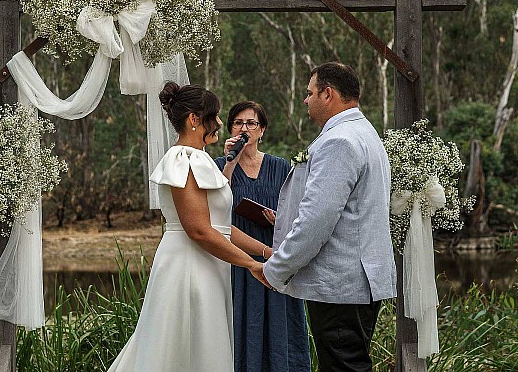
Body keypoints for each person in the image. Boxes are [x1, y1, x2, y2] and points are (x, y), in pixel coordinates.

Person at [108, 82, 272, 372]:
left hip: (207, 264)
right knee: (187, 350)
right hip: (190, 268)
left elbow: (219, 225)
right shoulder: (182, 160)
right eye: (215, 115)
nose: (221, 122)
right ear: (195, 119)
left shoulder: (200, 159)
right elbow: (198, 230)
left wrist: (264, 252)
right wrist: (250, 266)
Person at [262, 62, 397, 372]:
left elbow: (316, 221)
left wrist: (276, 269)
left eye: (310, 93)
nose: (306, 100)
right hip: (354, 281)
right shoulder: (364, 132)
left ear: (328, 94)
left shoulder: (339, 141)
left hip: (339, 284)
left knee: (343, 366)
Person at [214, 101, 310, 372]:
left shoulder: (280, 167)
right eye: (238, 123)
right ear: (230, 129)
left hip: (275, 256)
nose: (244, 129)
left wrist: (280, 218)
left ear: (262, 130)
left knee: (281, 322)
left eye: (251, 123)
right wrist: (230, 161)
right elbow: (214, 203)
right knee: (241, 321)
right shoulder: (218, 165)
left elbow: (301, 211)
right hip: (236, 258)